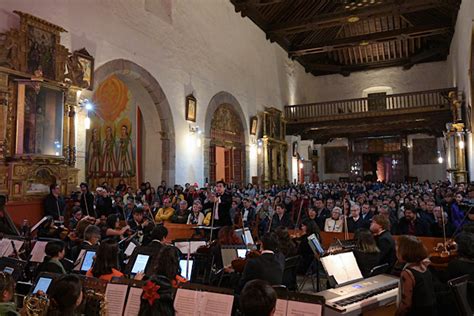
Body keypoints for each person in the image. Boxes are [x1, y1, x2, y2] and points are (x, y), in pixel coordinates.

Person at [395, 235, 436, 316]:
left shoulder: (407, 273)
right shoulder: (424, 266)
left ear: (405, 250)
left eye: (397, 246)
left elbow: (406, 304)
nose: (396, 249)